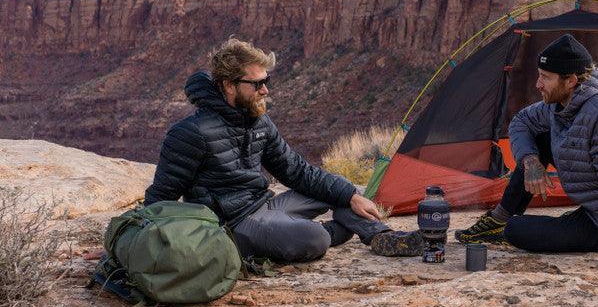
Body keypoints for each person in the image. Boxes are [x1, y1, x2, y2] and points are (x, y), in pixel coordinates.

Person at [143, 38, 422, 262]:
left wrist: (348, 195)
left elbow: (295, 170)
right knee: (315, 239)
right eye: (257, 84)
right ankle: (321, 232)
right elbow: (162, 196)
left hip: (266, 204)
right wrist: (132, 241)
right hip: (235, 224)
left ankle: (382, 237)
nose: (265, 90)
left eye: (267, 81)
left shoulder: (258, 120)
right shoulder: (190, 133)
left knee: (344, 191)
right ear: (229, 85)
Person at [455, 34, 598, 275]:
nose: (538, 84)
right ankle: (497, 220)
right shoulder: (561, 103)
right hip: (595, 208)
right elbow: (521, 122)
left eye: (546, 77)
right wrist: (531, 161)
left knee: (516, 231)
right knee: (537, 142)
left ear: (571, 80)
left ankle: (507, 226)